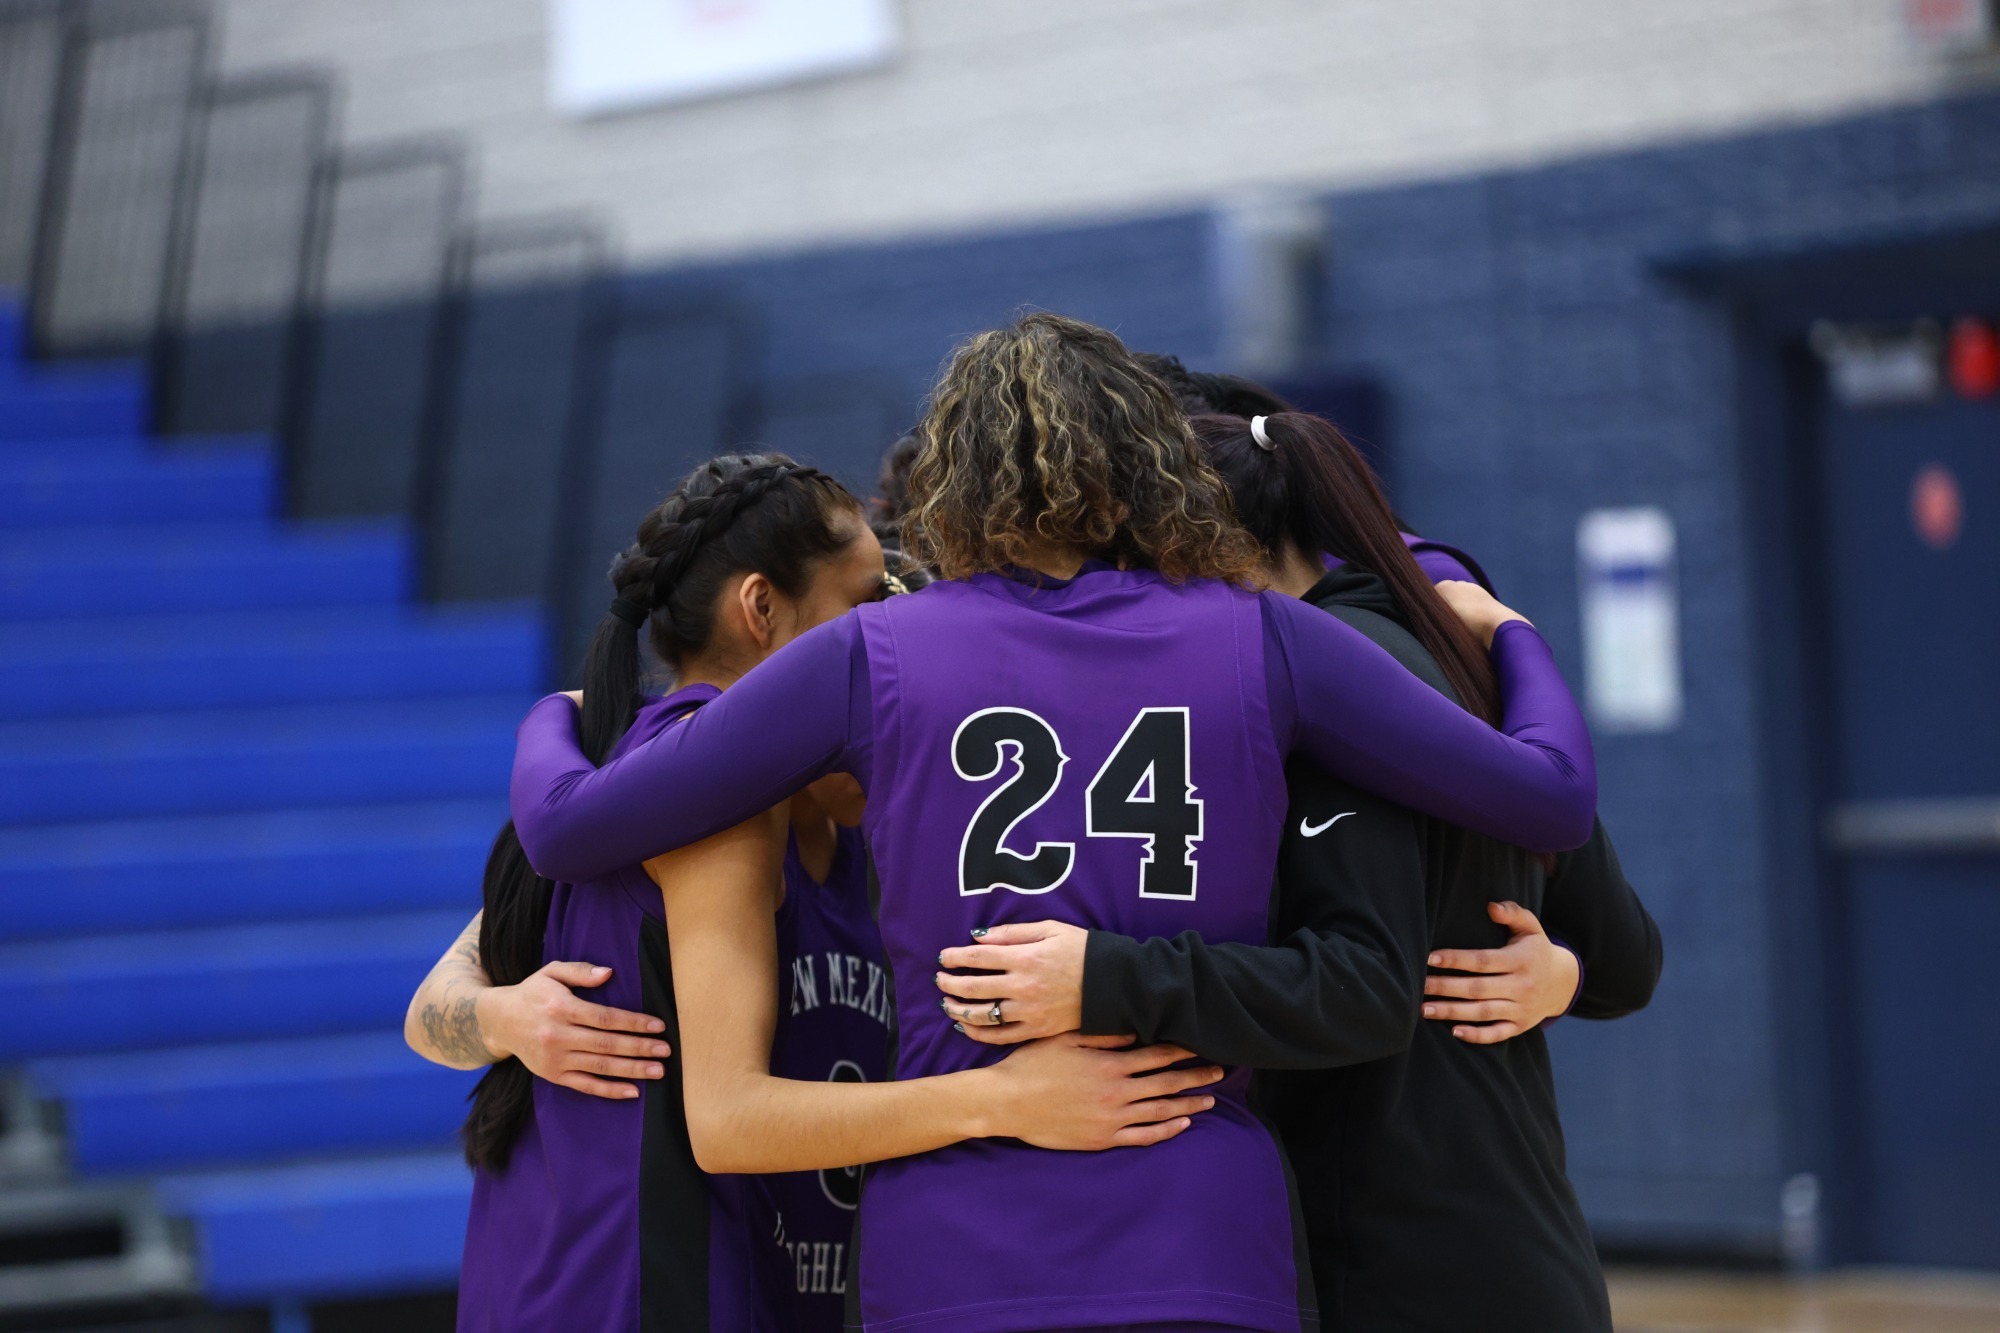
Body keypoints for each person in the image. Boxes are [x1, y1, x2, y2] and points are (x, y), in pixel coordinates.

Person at [507, 313, 1600, 1331]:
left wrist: (553, 716)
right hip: (1199, 1222)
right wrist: (1512, 635)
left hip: (950, 1245)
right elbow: (1549, 792)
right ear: (1149, 462)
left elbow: (562, 828)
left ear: (947, 480)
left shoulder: (868, 654)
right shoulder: (1267, 639)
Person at [415, 452, 1219, 1333]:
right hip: (621, 1290)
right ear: (761, 609)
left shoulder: (823, 808)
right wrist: (1013, 1098)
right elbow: (723, 1118)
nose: (893, 628)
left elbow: (443, 995)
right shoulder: (700, 799)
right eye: (868, 600)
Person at [946, 410, 1662, 1331]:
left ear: (1209, 542)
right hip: (1519, 1242)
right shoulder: (1456, 650)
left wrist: (1104, 977)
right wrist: (1558, 971)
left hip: (1409, 1263)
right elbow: (1626, 957)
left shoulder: (1328, 686)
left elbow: (1363, 982)